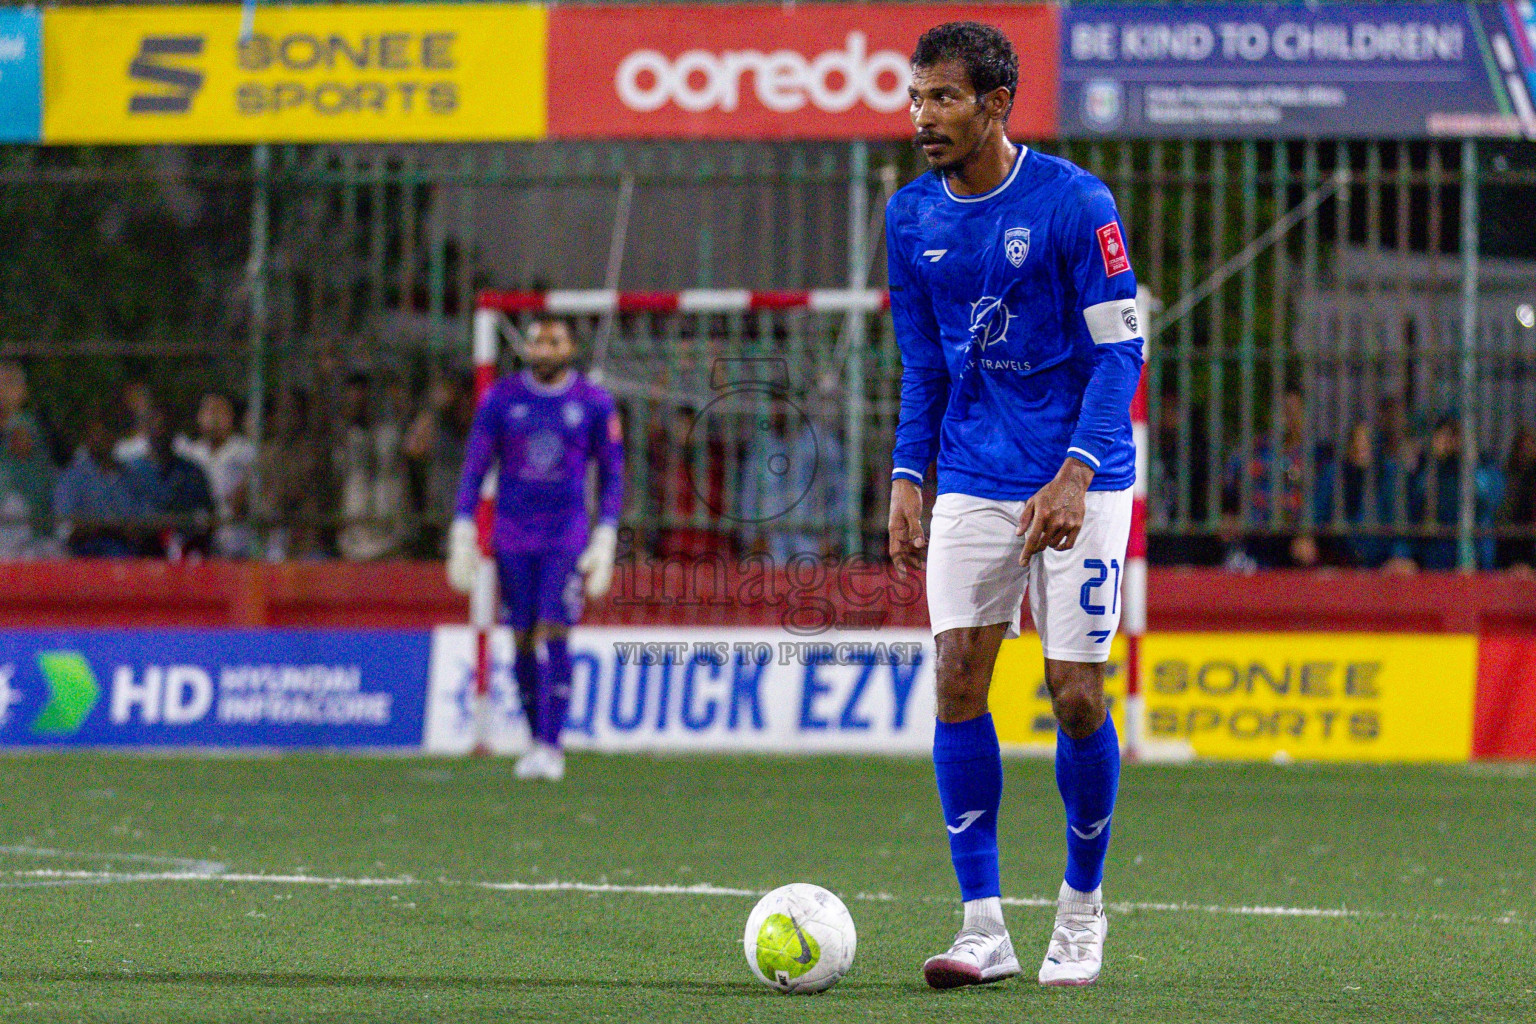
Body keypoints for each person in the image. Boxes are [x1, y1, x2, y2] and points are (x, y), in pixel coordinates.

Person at [885, 23, 1141, 990]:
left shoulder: (1077, 203)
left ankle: (1080, 911)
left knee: (1075, 695)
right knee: (958, 678)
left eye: (943, 99)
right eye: (916, 99)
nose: (923, 118)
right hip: (973, 475)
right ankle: (983, 925)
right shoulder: (910, 218)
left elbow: (1121, 350)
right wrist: (910, 477)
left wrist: (1076, 472)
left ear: (996, 104)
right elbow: (921, 361)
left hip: (1084, 474)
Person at [447, 318, 624, 782]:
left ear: (570, 348)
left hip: (564, 535)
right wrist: (464, 524)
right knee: (521, 636)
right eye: (538, 341)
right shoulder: (502, 399)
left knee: (555, 629)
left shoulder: (592, 402)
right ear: (525, 348)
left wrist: (606, 534)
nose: (545, 349)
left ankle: (552, 744)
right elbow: (475, 464)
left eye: (555, 341)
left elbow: (613, 474)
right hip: (512, 535)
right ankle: (533, 741)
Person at [125, 405, 214, 558]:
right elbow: (124, 517)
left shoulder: (192, 472)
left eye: (166, 427)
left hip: (185, 548)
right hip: (142, 550)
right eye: (156, 428)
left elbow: (209, 513)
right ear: (146, 430)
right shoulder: (131, 471)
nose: (161, 433)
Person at [53, 407, 141, 557]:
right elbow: (65, 528)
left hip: (126, 552)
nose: (103, 439)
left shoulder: (129, 476)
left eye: (107, 433)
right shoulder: (72, 478)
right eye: (97, 434)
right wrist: (106, 527)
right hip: (86, 553)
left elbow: (139, 523)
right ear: (87, 438)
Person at [179, 391, 256, 558]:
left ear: (231, 416)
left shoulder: (244, 450)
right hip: (200, 543)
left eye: (220, 411)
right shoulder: (190, 453)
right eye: (209, 411)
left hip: (236, 543)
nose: (214, 417)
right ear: (199, 416)